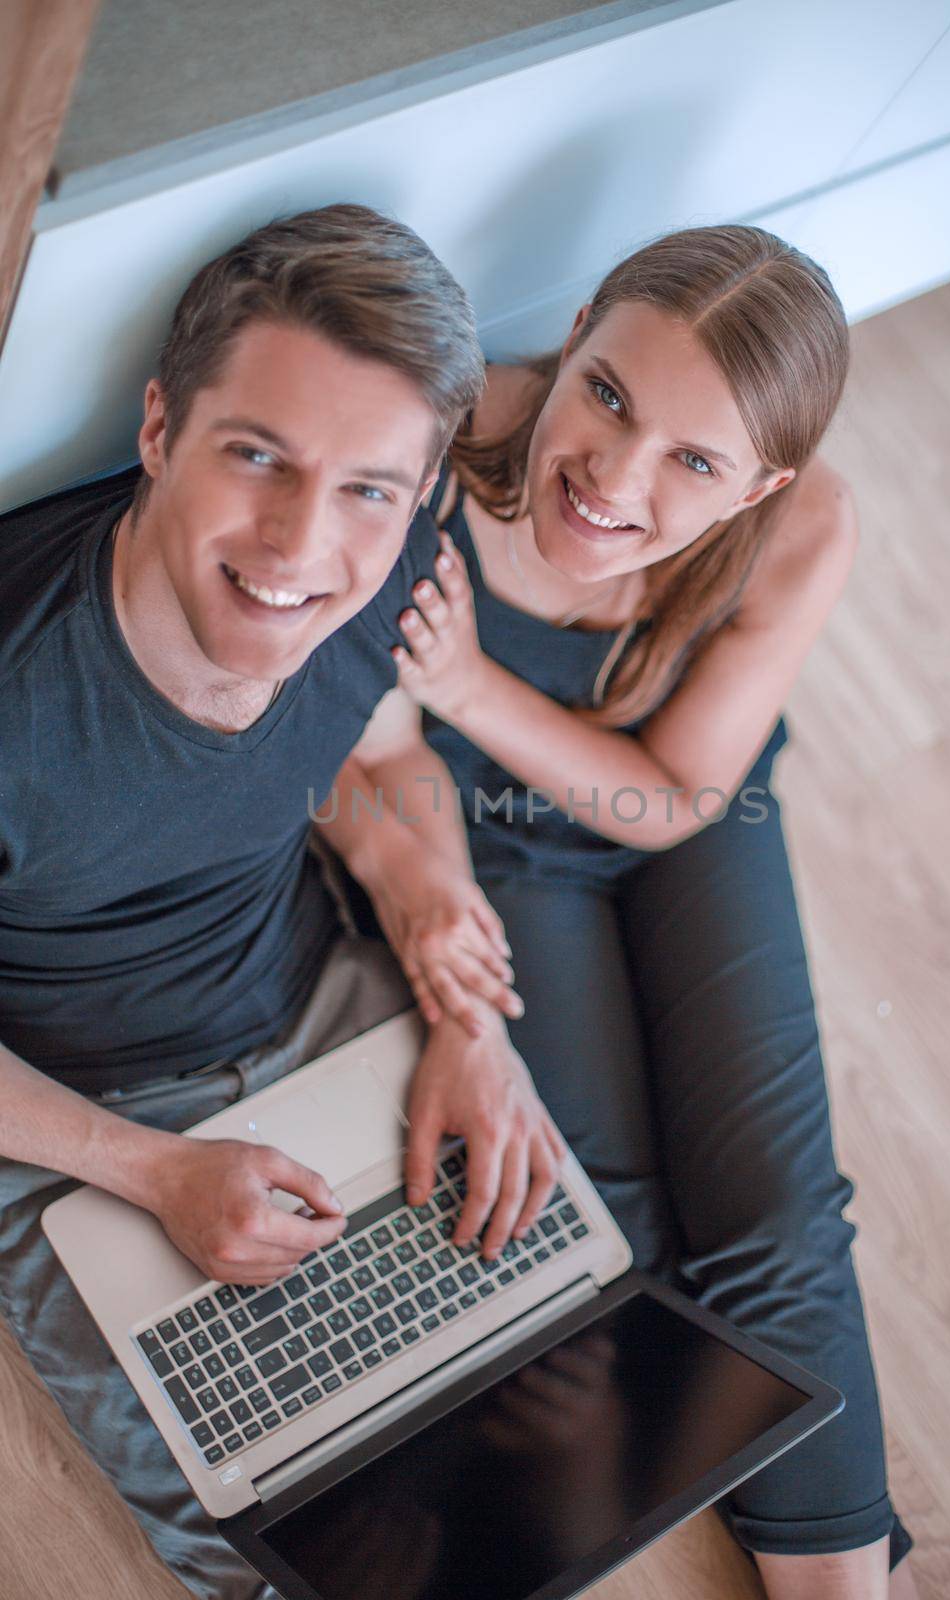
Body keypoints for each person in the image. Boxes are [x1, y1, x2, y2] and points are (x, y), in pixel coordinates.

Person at [338, 225, 919, 1600]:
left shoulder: (808, 523)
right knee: (606, 1228)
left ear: (759, 486)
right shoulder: (432, 439)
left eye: (695, 464)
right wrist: (445, 943)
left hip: (683, 823)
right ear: (581, 322)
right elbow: (375, 754)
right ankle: (603, 1497)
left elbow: (673, 799)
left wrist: (475, 685)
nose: (610, 479)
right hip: (490, 834)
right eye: (605, 394)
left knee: (776, 1222)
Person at [0, 202, 568, 1600]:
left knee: (554, 1384)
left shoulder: (402, 578)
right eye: (258, 457)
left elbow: (376, 756)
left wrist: (463, 1002)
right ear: (157, 429)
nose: (301, 549)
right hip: (74, 1117)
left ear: (427, 486)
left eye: (371, 486)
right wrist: (153, 1171)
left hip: (324, 995)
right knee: (275, 1549)